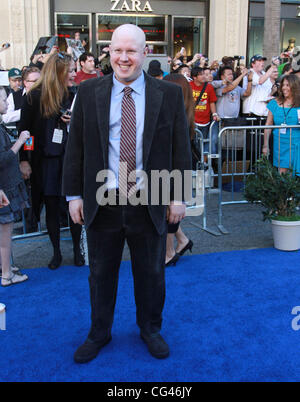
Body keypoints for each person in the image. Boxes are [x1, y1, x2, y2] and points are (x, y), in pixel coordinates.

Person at [62, 24, 192, 363]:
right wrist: (73, 195)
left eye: (131, 51)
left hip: (150, 198)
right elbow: (75, 146)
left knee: (151, 272)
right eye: (118, 50)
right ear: (109, 52)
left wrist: (178, 197)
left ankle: (150, 328)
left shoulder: (169, 93)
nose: (124, 58)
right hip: (102, 200)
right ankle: (99, 332)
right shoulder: (88, 92)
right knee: (100, 273)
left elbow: (181, 147)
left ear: (144, 53)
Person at [19, 53, 84, 270]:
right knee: (52, 208)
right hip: (45, 161)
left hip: (70, 159)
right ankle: (56, 252)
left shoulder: (73, 95)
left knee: (74, 205)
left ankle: (78, 250)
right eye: (71, 71)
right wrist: (24, 160)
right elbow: (25, 131)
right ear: (58, 73)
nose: (74, 74)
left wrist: (73, 122)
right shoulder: (33, 97)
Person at [163, 74, 194, 266]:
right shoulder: (185, 113)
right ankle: (182, 240)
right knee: (167, 210)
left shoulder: (174, 115)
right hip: (174, 169)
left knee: (167, 211)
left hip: (172, 169)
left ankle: (168, 252)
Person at [0, 86, 29, 286]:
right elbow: (2, 159)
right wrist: (20, 141)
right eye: (3, 99)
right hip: (4, 188)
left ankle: (6, 268)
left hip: (6, 185)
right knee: (5, 233)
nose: (7, 103)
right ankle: (6, 274)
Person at [263, 75, 300, 176]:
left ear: (295, 86)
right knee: (282, 174)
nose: (284, 88)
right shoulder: (274, 103)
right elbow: (268, 125)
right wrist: (265, 146)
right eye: (283, 85)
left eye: (287, 85)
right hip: (280, 143)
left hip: (297, 144)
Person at [190, 66, 220, 156]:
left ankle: (203, 165)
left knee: (202, 144)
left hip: (205, 121)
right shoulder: (188, 86)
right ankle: (195, 165)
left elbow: (211, 102)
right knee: (193, 145)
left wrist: (214, 113)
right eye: (200, 75)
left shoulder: (209, 87)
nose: (203, 76)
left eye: (203, 74)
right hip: (192, 121)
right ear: (194, 77)